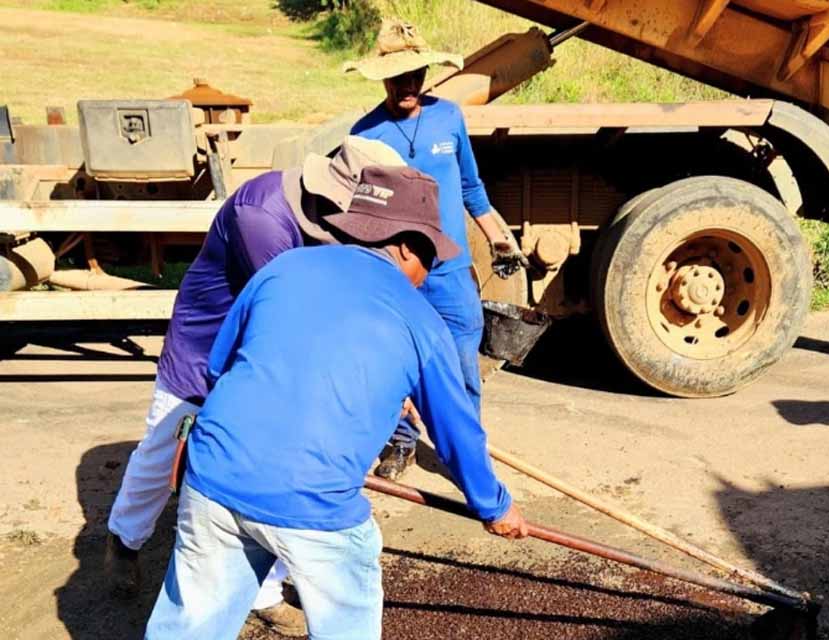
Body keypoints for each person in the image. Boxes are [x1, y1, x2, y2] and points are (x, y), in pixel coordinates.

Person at [144, 165, 528, 640]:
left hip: (213, 478)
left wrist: (386, 400)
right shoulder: (422, 322)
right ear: (407, 246)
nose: (428, 274)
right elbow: (457, 434)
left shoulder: (283, 268)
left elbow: (222, 367)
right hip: (313, 505)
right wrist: (495, 507)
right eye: (430, 256)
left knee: (187, 628)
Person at [104, 136, 404, 636]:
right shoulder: (261, 216)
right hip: (207, 347)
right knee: (164, 449)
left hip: (270, 356)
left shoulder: (332, 222)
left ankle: (262, 591)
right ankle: (124, 538)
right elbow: (294, 310)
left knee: (272, 468)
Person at [346, 19, 529, 480]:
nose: (408, 85)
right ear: (383, 77)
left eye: (415, 74)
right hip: (398, 275)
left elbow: (470, 186)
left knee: (464, 362)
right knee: (396, 363)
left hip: (450, 270)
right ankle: (402, 443)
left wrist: (497, 235)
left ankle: (465, 450)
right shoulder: (366, 135)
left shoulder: (449, 117)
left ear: (426, 73)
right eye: (398, 76)